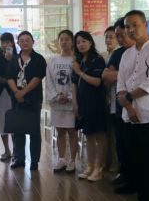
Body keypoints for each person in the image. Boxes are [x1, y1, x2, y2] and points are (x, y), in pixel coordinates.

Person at [116, 10, 149, 201]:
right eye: (127, 26)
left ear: (145, 25)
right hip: (128, 115)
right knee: (134, 161)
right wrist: (128, 106)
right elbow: (120, 83)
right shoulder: (126, 54)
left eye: (135, 25)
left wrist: (127, 98)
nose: (131, 29)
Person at [7, 31, 47, 170]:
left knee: (34, 130)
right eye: (22, 40)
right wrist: (16, 92)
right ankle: (19, 159)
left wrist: (23, 92)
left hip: (33, 99)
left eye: (27, 40)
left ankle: (34, 161)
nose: (24, 42)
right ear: (18, 43)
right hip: (16, 99)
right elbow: (9, 77)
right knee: (17, 129)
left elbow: (37, 78)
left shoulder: (39, 59)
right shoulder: (14, 59)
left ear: (33, 42)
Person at [102, 19, 133, 190]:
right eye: (117, 36)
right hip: (117, 105)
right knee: (120, 141)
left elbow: (138, 78)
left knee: (132, 143)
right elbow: (106, 76)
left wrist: (118, 75)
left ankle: (134, 178)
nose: (119, 39)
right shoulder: (118, 53)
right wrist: (125, 75)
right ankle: (124, 173)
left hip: (135, 107)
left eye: (122, 35)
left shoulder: (142, 51)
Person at [72, 31, 107, 180]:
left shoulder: (97, 60)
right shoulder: (78, 61)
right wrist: (75, 103)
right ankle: (90, 166)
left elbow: (97, 82)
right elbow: (73, 84)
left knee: (99, 136)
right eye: (78, 42)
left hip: (96, 103)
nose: (81, 44)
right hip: (83, 104)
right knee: (88, 136)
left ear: (91, 42)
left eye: (84, 41)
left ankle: (99, 168)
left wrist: (80, 72)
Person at [46, 29, 77, 172]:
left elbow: (77, 81)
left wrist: (69, 96)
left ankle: (72, 161)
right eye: (61, 39)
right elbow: (49, 81)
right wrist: (57, 95)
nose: (64, 42)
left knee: (72, 131)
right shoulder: (53, 60)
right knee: (60, 131)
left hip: (71, 101)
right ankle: (62, 159)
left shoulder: (76, 59)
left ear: (72, 42)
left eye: (67, 39)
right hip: (57, 101)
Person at [0, 32, 15, 162]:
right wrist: (5, 80)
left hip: (15, 92)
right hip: (0, 92)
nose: (5, 45)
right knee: (2, 121)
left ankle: (16, 151)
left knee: (15, 121)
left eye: (8, 42)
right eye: (3, 42)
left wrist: (11, 59)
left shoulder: (18, 56)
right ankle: (7, 150)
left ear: (12, 43)